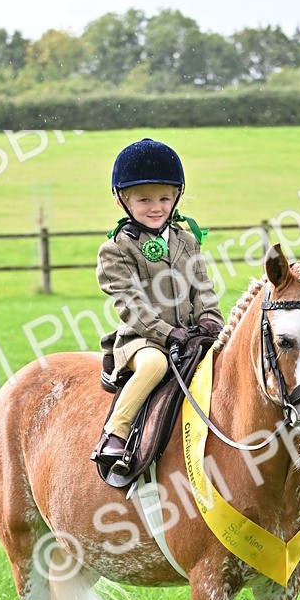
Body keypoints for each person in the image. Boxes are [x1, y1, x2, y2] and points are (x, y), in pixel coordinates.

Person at [93, 137, 224, 470]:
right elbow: (130, 305)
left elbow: (203, 287)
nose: (156, 207)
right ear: (123, 200)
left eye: (164, 198)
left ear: (176, 197)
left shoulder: (187, 241)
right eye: (144, 199)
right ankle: (116, 433)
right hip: (143, 341)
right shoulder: (117, 249)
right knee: (155, 366)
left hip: (192, 336)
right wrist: (166, 334)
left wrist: (210, 319)